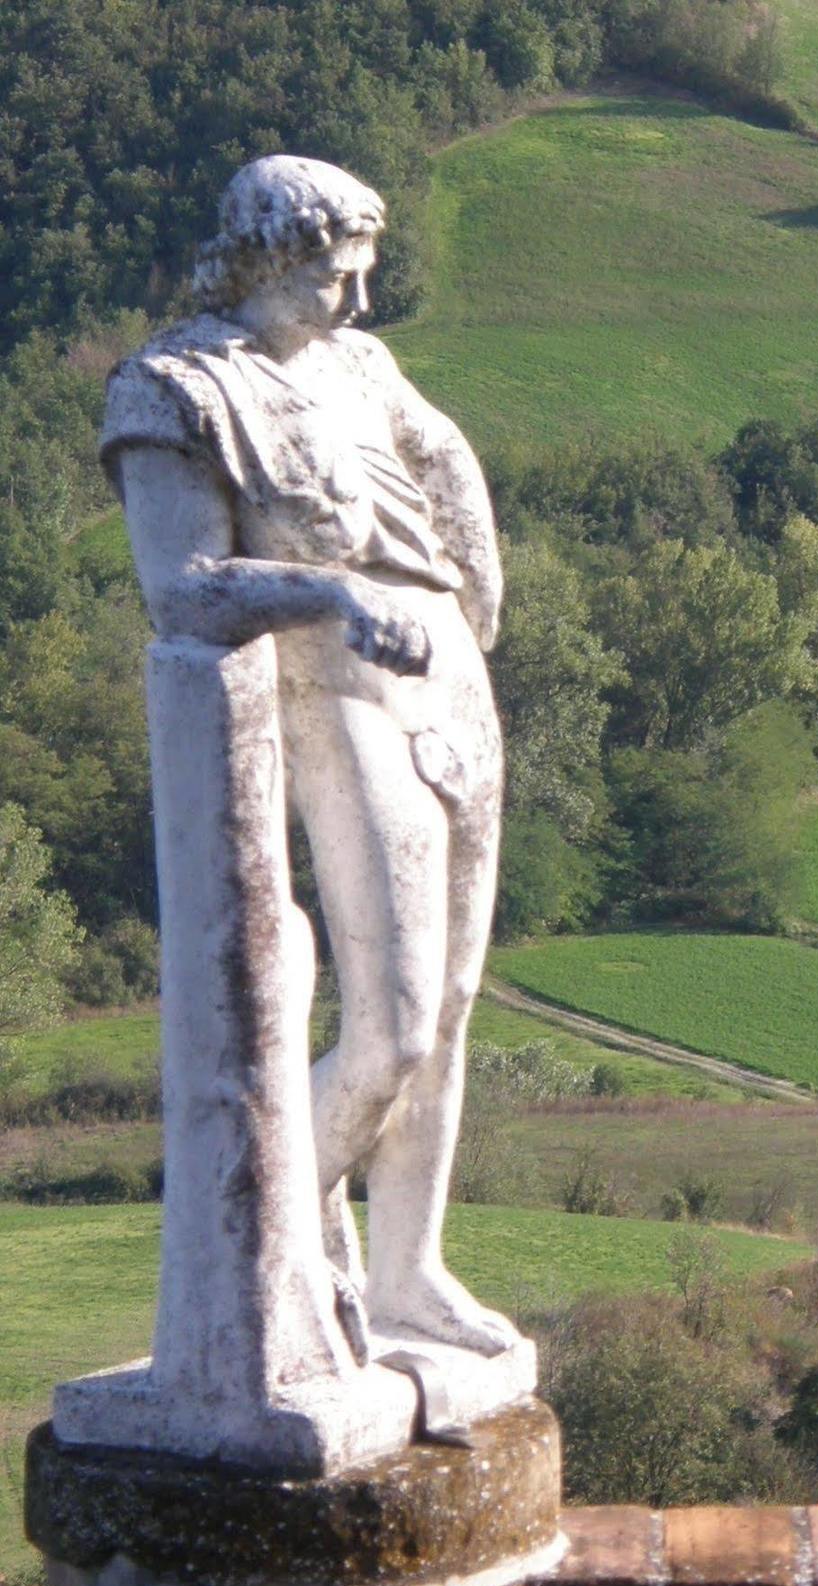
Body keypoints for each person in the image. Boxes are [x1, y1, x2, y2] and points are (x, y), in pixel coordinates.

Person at [101, 156, 516, 1358]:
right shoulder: (175, 390)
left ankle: (407, 1272)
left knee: (447, 1006)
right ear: (271, 261)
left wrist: (473, 584)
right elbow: (182, 591)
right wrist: (330, 592)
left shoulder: (359, 364)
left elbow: (437, 455)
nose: (360, 302)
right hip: (339, 697)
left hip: (450, 686)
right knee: (387, 1024)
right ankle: (272, 1242)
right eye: (339, 277)